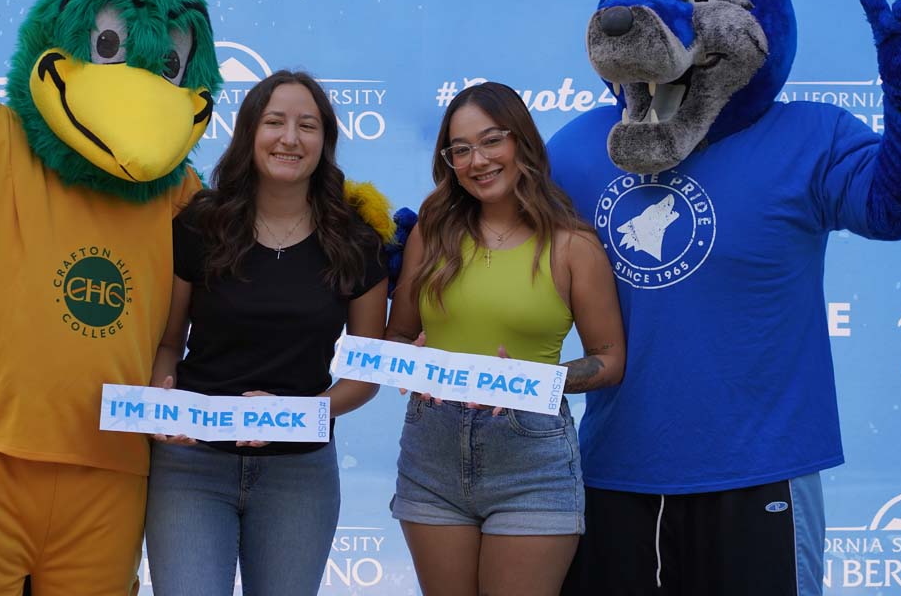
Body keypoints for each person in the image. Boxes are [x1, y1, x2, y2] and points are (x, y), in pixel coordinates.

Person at [144, 70, 389, 596]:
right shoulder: (198, 225)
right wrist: (163, 397)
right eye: (274, 122)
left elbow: (365, 375)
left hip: (299, 474)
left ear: (325, 142)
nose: (290, 138)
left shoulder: (358, 242)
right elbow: (168, 342)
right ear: (249, 132)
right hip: (191, 463)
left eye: (307, 125)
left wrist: (300, 415)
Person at [386, 82, 626, 596]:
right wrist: (414, 362)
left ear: (521, 142)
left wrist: (533, 380)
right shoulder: (432, 231)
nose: (478, 160)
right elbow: (400, 334)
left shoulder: (572, 244)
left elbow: (609, 360)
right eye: (461, 149)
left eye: (492, 141)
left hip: (531, 462)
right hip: (431, 451)